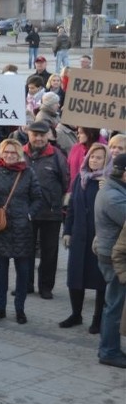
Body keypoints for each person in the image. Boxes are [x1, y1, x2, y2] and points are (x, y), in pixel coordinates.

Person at [0, 139, 43, 325]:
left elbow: (38, 198)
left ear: (19, 154)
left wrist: (30, 215)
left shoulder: (27, 172)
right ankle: (0, 308)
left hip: (21, 228)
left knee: (23, 271)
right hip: (0, 227)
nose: (9, 155)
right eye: (6, 152)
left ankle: (20, 309)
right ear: (0, 153)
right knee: (1, 271)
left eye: (13, 153)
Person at [61, 143, 108, 333]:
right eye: (92, 157)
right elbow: (71, 208)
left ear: (107, 161)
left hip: (100, 237)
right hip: (80, 235)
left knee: (99, 280)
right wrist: (67, 231)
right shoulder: (80, 179)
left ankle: (98, 319)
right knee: (75, 276)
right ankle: (76, 314)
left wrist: (107, 188)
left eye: (99, 157)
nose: (94, 160)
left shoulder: (110, 181)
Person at [24, 121, 69, 298]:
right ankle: (26, 284)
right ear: (29, 134)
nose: (39, 138)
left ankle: (46, 287)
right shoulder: (21, 152)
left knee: (49, 253)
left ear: (48, 136)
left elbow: (66, 181)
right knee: (25, 250)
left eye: (42, 135)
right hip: (27, 212)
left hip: (51, 212)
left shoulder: (57, 155)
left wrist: (55, 200)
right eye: (35, 134)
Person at [94, 153, 126, 368]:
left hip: (111, 252)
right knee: (115, 305)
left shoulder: (115, 190)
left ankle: (109, 348)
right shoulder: (113, 196)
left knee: (114, 303)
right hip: (114, 257)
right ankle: (109, 351)